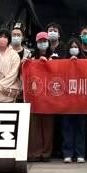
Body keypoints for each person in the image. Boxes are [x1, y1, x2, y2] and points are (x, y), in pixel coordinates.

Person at [28, 31, 56, 162]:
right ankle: (35, 152)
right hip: (35, 95)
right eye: (40, 41)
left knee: (48, 125)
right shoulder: (31, 56)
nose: (42, 43)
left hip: (50, 96)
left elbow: (59, 72)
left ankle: (46, 153)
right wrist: (26, 63)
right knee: (35, 125)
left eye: (45, 41)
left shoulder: (54, 56)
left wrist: (50, 63)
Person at [62, 36, 87, 163]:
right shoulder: (63, 63)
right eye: (71, 47)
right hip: (67, 100)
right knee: (67, 127)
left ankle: (80, 153)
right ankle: (68, 153)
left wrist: (79, 64)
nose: (74, 49)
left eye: (76, 47)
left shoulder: (85, 62)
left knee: (80, 127)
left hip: (81, 100)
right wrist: (68, 63)